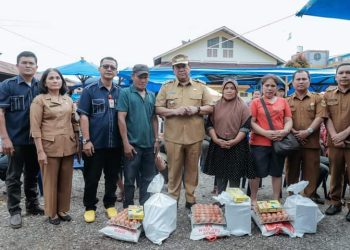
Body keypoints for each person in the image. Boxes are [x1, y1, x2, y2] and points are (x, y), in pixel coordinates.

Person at [155, 54, 214, 209]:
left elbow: (211, 107)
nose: (181, 69)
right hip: (173, 137)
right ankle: (173, 199)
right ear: (173, 70)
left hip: (195, 137)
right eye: (178, 67)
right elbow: (158, 108)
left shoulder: (201, 86)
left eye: (184, 66)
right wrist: (175, 112)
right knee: (173, 170)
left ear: (189, 68)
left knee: (192, 169)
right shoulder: (166, 87)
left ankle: (190, 199)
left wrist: (197, 109)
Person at [0, 51, 44, 228]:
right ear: (17, 65)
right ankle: (15, 211)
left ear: (36, 67)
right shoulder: (7, 85)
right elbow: (1, 113)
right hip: (16, 139)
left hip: (35, 141)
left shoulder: (41, 86)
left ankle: (32, 205)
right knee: (13, 176)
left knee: (32, 174)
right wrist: (5, 138)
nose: (28, 65)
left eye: (31, 63)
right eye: (24, 63)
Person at [30, 68, 79, 225]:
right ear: (45, 82)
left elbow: (74, 121)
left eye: (58, 78)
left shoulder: (68, 100)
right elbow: (35, 128)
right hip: (49, 147)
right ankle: (51, 213)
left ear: (62, 81)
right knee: (50, 181)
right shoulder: (39, 100)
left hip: (68, 145)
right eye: (51, 78)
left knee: (66, 180)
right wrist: (40, 151)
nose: (55, 80)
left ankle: (62, 209)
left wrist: (78, 142)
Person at [77, 57, 122, 223]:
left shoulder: (120, 92)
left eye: (112, 67)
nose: (109, 69)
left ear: (116, 71)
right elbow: (83, 116)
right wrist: (86, 140)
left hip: (115, 144)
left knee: (112, 176)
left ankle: (109, 204)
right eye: (106, 66)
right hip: (95, 144)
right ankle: (89, 207)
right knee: (92, 177)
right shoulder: (89, 91)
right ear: (100, 69)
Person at [203, 77, 255, 194]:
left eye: (232, 88)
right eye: (226, 88)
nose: (229, 90)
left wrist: (234, 141)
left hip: (237, 144)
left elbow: (246, 126)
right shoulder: (215, 106)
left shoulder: (243, 106)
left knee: (235, 174)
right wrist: (216, 139)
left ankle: (233, 200)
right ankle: (221, 199)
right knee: (220, 173)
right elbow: (209, 124)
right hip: (218, 143)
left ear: (236, 90)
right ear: (222, 90)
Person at [117, 64, 158, 208]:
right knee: (129, 180)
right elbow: (121, 118)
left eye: (145, 76)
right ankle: (128, 209)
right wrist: (126, 143)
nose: (143, 80)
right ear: (133, 76)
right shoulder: (125, 93)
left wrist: (156, 139)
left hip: (148, 145)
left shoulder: (151, 95)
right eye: (140, 76)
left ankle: (144, 208)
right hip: (132, 145)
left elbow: (154, 118)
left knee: (147, 179)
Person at [249, 74, 293, 206]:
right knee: (256, 173)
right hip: (259, 143)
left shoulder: (283, 101)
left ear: (277, 87)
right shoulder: (256, 102)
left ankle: (276, 200)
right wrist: (265, 133)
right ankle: (254, 198)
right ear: (262, 87)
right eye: (267, 85)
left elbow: (288, 119)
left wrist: (285, 131)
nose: (269, 88)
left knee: (277, 172)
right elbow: (251, 122)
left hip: (279, 143)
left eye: (272, 85)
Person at [285, 70, 327, 199]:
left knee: (311, 173)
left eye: (304, 79)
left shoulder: (318, 98)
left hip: (312, 144)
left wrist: (307, 132)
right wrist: (295, 133)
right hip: (293, 144)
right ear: (292, 82)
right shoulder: (286, 101)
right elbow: (283, 119)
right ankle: (292, 198)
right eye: (298, 79)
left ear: (309, 81)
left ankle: (308, 199)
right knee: (292, 172)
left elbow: (320, 117)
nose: (301, 82)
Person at [324, 63, 350, 221]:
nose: (345, 75)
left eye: (348, 72)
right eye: (341, 73)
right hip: (334, 142)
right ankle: (335, 202)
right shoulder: (328, 95)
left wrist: (344, 134)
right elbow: (326, 117)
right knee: (335, 174)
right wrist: (335, 136)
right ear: (336, 76)